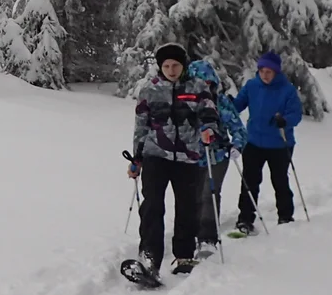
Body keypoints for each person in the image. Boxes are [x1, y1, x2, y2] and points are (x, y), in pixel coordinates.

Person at [126, 43, 220, 278]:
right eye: (166, 66)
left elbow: (209, 114)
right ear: (160, 67)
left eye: (175, 65)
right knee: (152, 206)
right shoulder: (150, 89)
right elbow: (141, 125)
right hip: (156, 155)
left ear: (183, 65)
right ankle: (149, 257)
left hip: (188, 157)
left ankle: (184, 255)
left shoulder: (198, 87)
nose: (171, 70)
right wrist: (137, 158)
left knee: (187, 207)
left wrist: (209, 129)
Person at [229, 50, 303, 235]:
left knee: (280, 181)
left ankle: (285, 217)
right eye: (262, 71)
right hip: (254, 142)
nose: (265, 75)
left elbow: (296, 114)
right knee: (250, 181)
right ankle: (245, 219)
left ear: (276, 71)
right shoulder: (252, 85)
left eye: (268, 71)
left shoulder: (287, 90)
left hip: (279, 143)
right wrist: (228, 103)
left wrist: (284, 120)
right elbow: (238, 105)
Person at [185, 58, 245, 253]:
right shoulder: (185, 103)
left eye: (208, 83)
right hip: (191, 156)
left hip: (217, 155)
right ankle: (191, 232)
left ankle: (208, 236)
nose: (205, 87)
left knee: (209, 193)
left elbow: (238, 128)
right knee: (192, 195)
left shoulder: (222, 102)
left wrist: (237, 145)